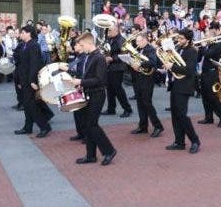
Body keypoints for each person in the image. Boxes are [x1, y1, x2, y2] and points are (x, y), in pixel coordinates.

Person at [68, 32, 117, 166]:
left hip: (97, 95)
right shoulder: (89, 56)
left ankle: (109, 150)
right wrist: (80, 84)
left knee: (92, 125)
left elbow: (100, 80)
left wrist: (80, 82)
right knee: (88, 125)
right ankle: (90, 155)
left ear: (89, 43)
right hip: (88, 93)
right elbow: (87, 76)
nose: (80, 47)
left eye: (82, 44)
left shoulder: (99, 58)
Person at [164, 28, 201, 154]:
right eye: (178, 38)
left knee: (182, 115)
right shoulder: (178, 49)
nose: (178, 40)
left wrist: (172, 66)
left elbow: (189, 70)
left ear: (188, 39)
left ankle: (195, 141)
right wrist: (167, 64)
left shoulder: (192, 51)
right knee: (175, 115)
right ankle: (179, 142)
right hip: (175, 84)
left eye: (181, 38)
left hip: (184, 86)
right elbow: (175, 65)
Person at [14, 25, 51, 138]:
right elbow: (21, 64)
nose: (21, 34)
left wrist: (32, 81)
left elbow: (35, 64)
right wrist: (20, 80)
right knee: (27, 103)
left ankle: (44, 126)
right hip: (24, 79)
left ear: (29, 33)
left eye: (23, 32)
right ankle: (28, 127)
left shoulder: (34, 45)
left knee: (32, 105)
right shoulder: (24, 45)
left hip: (31, 80)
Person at [129, 33, 164, 138]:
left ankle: (158, 126)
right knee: (140, 102)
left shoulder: (150, 49)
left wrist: (139, 64)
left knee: (147, 103)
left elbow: (153, 62)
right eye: (137, 41)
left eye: (139, 41)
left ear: (145, 40)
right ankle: (143, 126)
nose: (137, 43)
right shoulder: (139, 50)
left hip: (147, 79)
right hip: (138, 78)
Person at [197, 23, 221, 127]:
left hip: (212, 73)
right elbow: (199, 58)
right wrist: (200, 49)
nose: (206, 35)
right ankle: (208, 117)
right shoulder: (209, 44)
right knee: (205, 96)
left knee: (213, 96)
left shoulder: (218, 44)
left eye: (208, 33)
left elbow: (208, 54)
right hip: (205, 72)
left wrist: (202, 47)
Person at [103, 25, 133, 117]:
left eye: (110, 31)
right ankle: (111, 109)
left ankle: (127, 109)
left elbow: (125, 53)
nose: (108, 33)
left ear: (116, 31)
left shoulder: (122, 40)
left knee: (118, 88)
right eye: (108, 31)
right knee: (109, 88)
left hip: (118, 67)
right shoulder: (108, 39)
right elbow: (106, 50)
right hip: (110, 67)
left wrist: (112, 58)